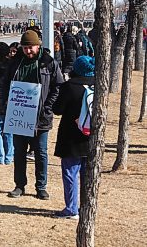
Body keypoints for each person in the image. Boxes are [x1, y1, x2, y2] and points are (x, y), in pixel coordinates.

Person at [7, 30, 64, 200]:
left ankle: (41, 187)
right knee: (19, 152)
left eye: (30, 47)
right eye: (24, 48)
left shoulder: (49, 63)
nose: (28, 51)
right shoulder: (15, 62)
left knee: (41, 152)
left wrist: (47, 107)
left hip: (41, 117)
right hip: (20, 116)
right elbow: (5, 84)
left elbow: (58, 86)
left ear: (38, 46)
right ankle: (19, 185)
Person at [53, 56, 95, 219]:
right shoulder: (98, 84)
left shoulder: (69, 86)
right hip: (91, 136)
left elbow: (58, 109)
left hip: (71, 136)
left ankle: (71, 208)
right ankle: (86, 205)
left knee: (70, 172)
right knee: (87, 174)